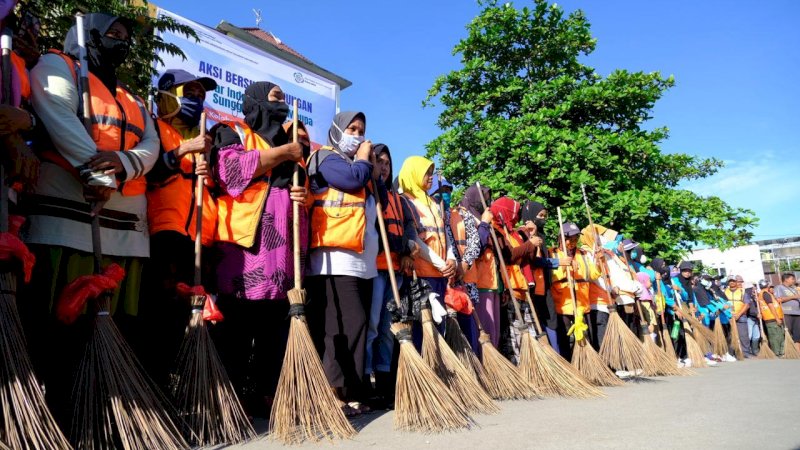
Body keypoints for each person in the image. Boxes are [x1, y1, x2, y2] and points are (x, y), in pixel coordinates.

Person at [21, 13, 158, 424]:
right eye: (112, 33)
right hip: (67, 222)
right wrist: (97, 172)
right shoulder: (56, 65)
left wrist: (123, 162)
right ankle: (54, 419)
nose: (120, 41)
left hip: (124, 235)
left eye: (124, 37)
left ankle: (97, 417)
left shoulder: (132, 97)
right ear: (90, 34)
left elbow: (149, 143)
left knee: (111, 328)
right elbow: (58, 115)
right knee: (57, 328)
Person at [209, 81, 307, 417]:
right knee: (236, 327)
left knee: (273, 327)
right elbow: (231, 171)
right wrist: (283, 154)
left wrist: (301, 197)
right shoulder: (232, 131)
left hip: (282, 253)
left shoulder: (292, 143)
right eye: (275, 97)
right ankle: (228, 399)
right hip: (245, 251)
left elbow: (299, 191)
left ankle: (266, 395)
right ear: (255, 101)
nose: (281, 104)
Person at [139, 69, 216, 389]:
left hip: (197, 235)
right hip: (164, 229)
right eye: (190, 92)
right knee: (160, 315)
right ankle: (153, 385)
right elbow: (152, 171)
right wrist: (184, 152)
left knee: (186, 318)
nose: (196, 99)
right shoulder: (155, 127)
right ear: (169, 94)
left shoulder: (202, 140)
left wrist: (206, 166)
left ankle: (179, 387)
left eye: (201, 95)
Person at [305, 111, 378, 416]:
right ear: (337, 130)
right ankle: (332, 390)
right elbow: (350, 180)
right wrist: (363, 159)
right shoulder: (326, 159)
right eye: (352, 128)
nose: (357, 135)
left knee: (358, 326)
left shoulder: (359, 165)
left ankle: (352, 390)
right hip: (332, 261)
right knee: (339, 327)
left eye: (361, 130)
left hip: (360, 262)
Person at [365, 143, 416, 409]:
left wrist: (408, 248)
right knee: (372, 326)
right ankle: (366, 381)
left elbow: (409, 227)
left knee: (388, 328)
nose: (383, 167)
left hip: (395, 270)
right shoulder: (368, 191)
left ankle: (385, 382)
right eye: (378, 161)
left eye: (386, 162)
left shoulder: (398, 198)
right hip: (375, 268)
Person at [397, 156, 456, 334]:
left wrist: (451, 258)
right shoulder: (405, 201)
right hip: (420, 275)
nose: (431, 177)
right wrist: (441, 264)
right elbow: (415, 239)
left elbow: (445, 234)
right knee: (423, 329)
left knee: (440, 325)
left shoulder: (434, 203)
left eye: (431, 173)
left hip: (439, 274)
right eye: (426, 173)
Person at [489, 196, 537, 362]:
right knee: (512, 332)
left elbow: (526, 258)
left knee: (529, 332)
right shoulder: (496, 231)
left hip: (521, 285)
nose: (516, 218)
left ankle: (532, 365)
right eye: (514, 214)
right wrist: (529, 244)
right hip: (508, 286)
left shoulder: (513, 233)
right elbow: (509, 256)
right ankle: (518, 366)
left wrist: (530, 238)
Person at [516, 201, 565, 352]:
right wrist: (557, 262)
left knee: (551, 320)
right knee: (535, 323)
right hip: (531, 287)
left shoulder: (542, 236)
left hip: (544, 287)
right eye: (540, 215)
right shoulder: (521, 234)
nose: (543, 219)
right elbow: (533, 261)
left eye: (545, 216)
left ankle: (555, 356)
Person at [550, 221, 601, 360]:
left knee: (585, 336)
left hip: (582, 303)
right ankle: (569, 364)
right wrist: (564, 265)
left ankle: (587, 365)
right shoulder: (553, 253)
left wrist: (598, 263)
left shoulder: (583, 254)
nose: (573, 242)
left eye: (575, 239)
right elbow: (551, 276)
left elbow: (592, 275)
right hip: (563, 303)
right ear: (561, 238)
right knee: (565, 338)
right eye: (569, 239)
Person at [724, 275, 753, 356]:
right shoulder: (724, 291)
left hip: (741, 316)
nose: (732, 282)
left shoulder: (742, 291)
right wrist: (729, 314)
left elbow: (747, 304)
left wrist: (739, 314)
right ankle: (732, 353)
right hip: (728, 316)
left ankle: (745, 353)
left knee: (743, 335)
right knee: (730, 336)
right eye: (730, 281)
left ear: (736, 282)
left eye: (733, 281)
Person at [774, 273, 800, 353]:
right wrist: (793, 297)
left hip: (797, 313)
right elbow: (778, 299)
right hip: (786, 313)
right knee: (787, 331)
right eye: (792, 279)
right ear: (786, 279)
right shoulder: (779, 287)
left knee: (798, 333)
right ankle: (788, 350)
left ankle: (798, 350)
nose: (794, 280)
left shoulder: (793, 289)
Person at [757, 279, 784, 356]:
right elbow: (770, 306)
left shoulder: (764, 294)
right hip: (772, 318)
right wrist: (777, 318)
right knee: (775, 337)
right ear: (767, 285)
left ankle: (781, 352)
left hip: (772, 318)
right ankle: (777, 352)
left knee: (779, 335)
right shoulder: (765, 294)